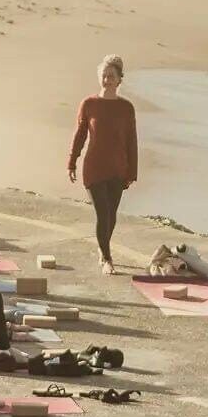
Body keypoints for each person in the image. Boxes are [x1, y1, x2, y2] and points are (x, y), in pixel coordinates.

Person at [68, 54, 137, 276]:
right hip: (94, 168)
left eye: (111, 76)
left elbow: (131, 141)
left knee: (112, 215)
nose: (107, 80)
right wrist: (72, 161)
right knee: (103, 214)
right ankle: (107, 258)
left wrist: (132, 171)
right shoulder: (89, 104)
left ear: (119, 80)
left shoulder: (126, 108)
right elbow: (80, 135)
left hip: (117, 168)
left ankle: (102, 246)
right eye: (104, 76)